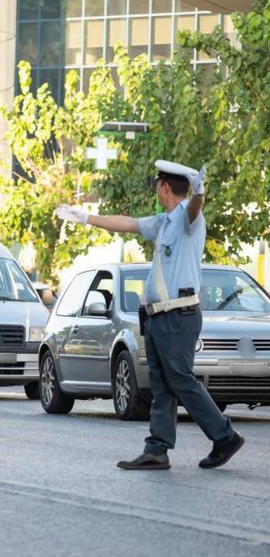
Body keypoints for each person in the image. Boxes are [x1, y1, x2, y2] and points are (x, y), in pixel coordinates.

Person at [56, 160, 244, 471]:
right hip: (157, 317)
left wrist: (200, 191)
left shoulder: (186, 217)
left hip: (179, 316)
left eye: (158, 184)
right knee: (162, 385)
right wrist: (87, 218)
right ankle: (157, 448)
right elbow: (127, 223)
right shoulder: (165, 221)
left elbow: (196, 208)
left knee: (180, 379)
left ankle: (224, 436)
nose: (156, 188)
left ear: (165, 187)